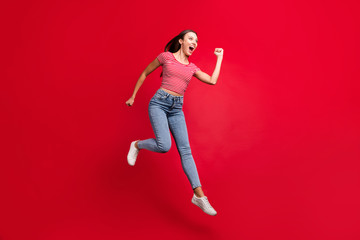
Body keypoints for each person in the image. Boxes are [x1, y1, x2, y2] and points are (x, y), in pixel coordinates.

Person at [125, 29, 223, 216]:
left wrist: (219, 58)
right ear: (182, 41)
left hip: (176, 109)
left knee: (186, 151)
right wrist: (133, 96)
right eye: (191, 38)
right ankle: (136, 145)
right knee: (164, 146)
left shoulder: (192, 68)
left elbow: (212, 80)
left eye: (196, 40)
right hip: (159, 104)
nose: (194, 42)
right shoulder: (166, 57)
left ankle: (199, 196)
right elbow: (145, 73)